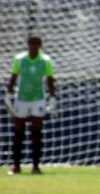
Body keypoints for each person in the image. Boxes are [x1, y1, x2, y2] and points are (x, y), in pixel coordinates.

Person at [5, 35, 56, 175]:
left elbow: (50, 79)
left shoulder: (45, 61)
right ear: (27, 45)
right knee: (19, 131)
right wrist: (8, 94)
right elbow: (14, 77)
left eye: (36, 45)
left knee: (37, 131)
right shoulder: (20, 59)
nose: (33, 47)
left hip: (38, 99)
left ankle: (36, 166)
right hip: (21, 98)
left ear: (40, 46)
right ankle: (16, 166)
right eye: (31, 44)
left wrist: (52, 97)